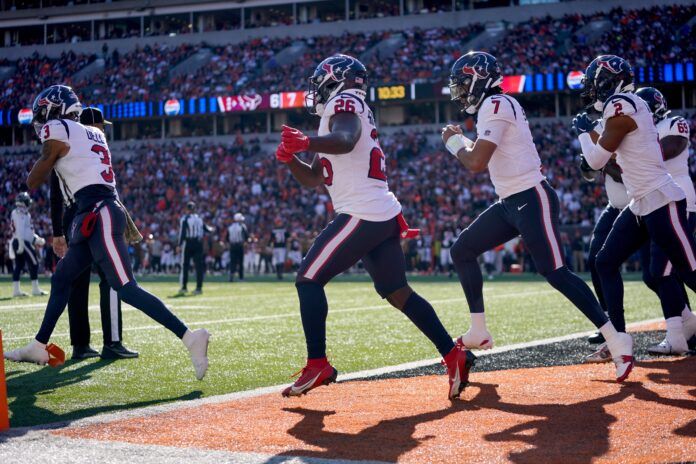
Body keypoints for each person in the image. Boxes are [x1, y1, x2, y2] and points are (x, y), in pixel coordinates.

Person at [276, 54, 473, 400]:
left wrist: (306, 142)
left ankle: (318, 363)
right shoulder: (340, 112)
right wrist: (292, 157)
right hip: (378, 213)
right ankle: (453, 354)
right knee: (398, 292)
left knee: (308, 279)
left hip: (362, 213)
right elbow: (313, 178)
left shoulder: (344, 102)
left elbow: (347, 140)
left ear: (334, 79)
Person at [441, 51, 633, 382]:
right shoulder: (494, 107)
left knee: (556, 273)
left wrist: (454, 141)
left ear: (478, 81)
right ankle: (479, 330)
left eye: (462, 85)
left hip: (531, 196)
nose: (460, 93)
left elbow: (475, 163)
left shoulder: (496, 104)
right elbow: (485, 154)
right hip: (510, 202)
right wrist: (463, 142)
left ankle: (618, 341)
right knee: (461, 250)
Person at [4, 85, 209, 381]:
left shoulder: (58, 128)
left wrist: (43, 163)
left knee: (125, 287)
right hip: (94, 211)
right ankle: (38, 344)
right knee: (63, 276)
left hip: (98, 212)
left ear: (55, 111)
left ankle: (191, 337)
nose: (41, 119)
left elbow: (34, 179)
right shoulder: (95, 133)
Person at [576, 56, 696, 361]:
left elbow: (595, 161)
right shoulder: (620, 107)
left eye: (595, 83)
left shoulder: (621, 103)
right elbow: (599, 164)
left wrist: (582, 134)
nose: (592, 90)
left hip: (661, 198)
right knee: (604, 261)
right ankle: (619, 340)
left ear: (610, 81)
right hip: (640, 201)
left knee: (690, 270)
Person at [50, 106, 138, 360]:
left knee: (77, 283)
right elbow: (57, 195)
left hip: (75, 218)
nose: (102, 132)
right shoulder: (89, 153)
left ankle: (80, 345)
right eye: (100, 126)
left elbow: (56, 196)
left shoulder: (67, 151)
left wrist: (58, 231)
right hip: (91, 215)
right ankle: (112, 341)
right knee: (111, 279)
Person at [10, 191, 47, 297]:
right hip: (21, 241)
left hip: (20, 241)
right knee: (34, 263)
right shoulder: (20, 212)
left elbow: (27, 232)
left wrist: (36, 239)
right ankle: (35, 289)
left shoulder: (22, 213)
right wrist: (21, 243)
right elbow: (20, 230)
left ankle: (16, 291)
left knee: (19, 265)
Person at [178, 201, 212, 295]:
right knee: (199, 266)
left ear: (187, 209)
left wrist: (179, 245)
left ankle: (184, 287)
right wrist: (213, 229)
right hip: (198, 243)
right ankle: (199, 288)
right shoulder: (199, 219)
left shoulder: (185, 219)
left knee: (185, 266)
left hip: (189, 243)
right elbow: (207, 229)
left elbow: (183, 233)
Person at [227, 212, 248, 282]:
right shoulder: (242, 226)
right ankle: (241, 277)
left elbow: (227, 238)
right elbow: (246, 236)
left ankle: (231, 276)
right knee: (240, 262)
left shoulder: (230, 227)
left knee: (233, 262)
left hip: (232, 246)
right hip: (239, 246)